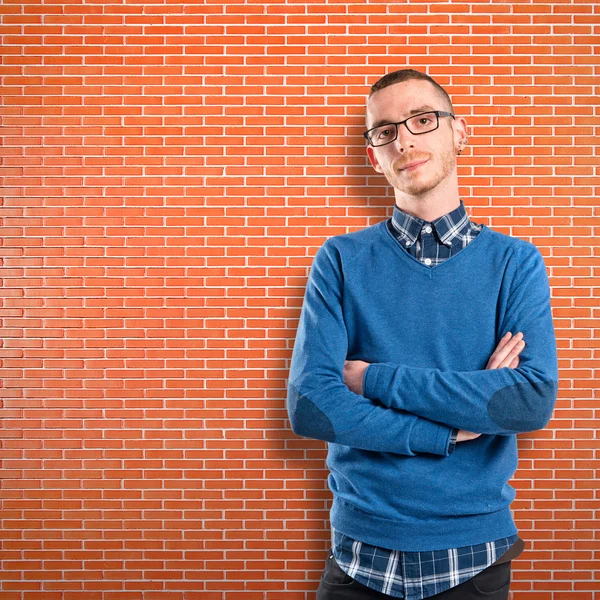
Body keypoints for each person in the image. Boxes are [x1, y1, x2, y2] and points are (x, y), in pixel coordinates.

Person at [286, 69, 559, 600]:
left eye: (421, 119)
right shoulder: (340, 261)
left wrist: (373, 379)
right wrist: (451, 428)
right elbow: (313, 407)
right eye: (384, 131)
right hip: (358, 558)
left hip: (473, 559)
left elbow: (525, 403)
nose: (404, 138)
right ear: (374, 157)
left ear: (458, 132)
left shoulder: (515, 263)